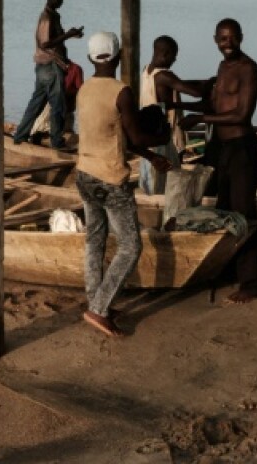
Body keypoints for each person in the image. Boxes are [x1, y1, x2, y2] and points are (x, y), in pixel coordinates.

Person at [76, 31, 172, 338]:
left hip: (84, 174)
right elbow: (137, 137)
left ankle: (96, 299)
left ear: (91, 58)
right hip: (110, 179)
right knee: (131, 246)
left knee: (95, 240)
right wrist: (161, 140)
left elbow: (119, 135)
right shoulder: (122, 92)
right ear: (118, 56)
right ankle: (99, 308)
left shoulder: (84, 89)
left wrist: (150, 158)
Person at [180, 18, 257, 303]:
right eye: (222, 38)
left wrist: (200, 118)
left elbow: (242, 114)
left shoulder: (248, 68)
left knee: (243, 213)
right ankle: (229, 268)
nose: (226, 43)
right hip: (221, 146)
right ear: (215, 39)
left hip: (242, 147)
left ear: (241, 37)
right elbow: (215, 104)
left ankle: (252, 281)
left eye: (231, 38)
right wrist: (179, 105)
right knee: (223, 210)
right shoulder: (222, 67)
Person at [12, 0, 84, 148]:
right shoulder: (46, 17)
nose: (61, 2)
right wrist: (68, 35)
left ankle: (21, 135)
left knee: (37, 102)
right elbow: (45, 43)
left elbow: (55, 39)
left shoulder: (54, 16)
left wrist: (72, 35)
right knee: (58, 104)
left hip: (46, 66)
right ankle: (57, 141)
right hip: (50, 65)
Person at [138, 35, 205, 196]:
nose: (175, 59)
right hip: (165, 137)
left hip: (148, 134)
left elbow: (177, 83)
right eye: (174, 55)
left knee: (151, 182)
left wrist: (203, 81)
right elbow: (196, 93)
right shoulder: (165, 76)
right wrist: (213, 86)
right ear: (166, 54)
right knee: (168, 182)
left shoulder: (147, 70)